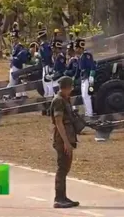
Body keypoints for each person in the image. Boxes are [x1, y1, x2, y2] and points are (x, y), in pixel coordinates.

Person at [50, 76, 80, 208]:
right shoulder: (58, 101)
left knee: (65, 167)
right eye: (71, 87)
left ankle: (63, 196)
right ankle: (59, 198)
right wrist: (66, 142)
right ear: (67, 87)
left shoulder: (65, 99)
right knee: (62, 168)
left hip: (67, 136)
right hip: (62, 139)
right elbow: (58, 122)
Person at [74, 35, 96, 117]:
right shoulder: (80, 57)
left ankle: (90, 113)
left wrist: (91, 77)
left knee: (87, 96)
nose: (75, 50)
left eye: (77, 48)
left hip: (88, 78)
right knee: (84, 97)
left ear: (80, 48)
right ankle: (87, 112)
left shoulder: (87, 55)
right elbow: (79, 70)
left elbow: (92, 67)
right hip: (83, 78)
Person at [38, 29, 54, 97]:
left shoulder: (45, 46)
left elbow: (47, 56)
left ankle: (50, 95)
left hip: (47, 65)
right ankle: (47, 94)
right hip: (45, 65)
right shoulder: (45, 45)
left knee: (48, 82)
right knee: (44, 81)